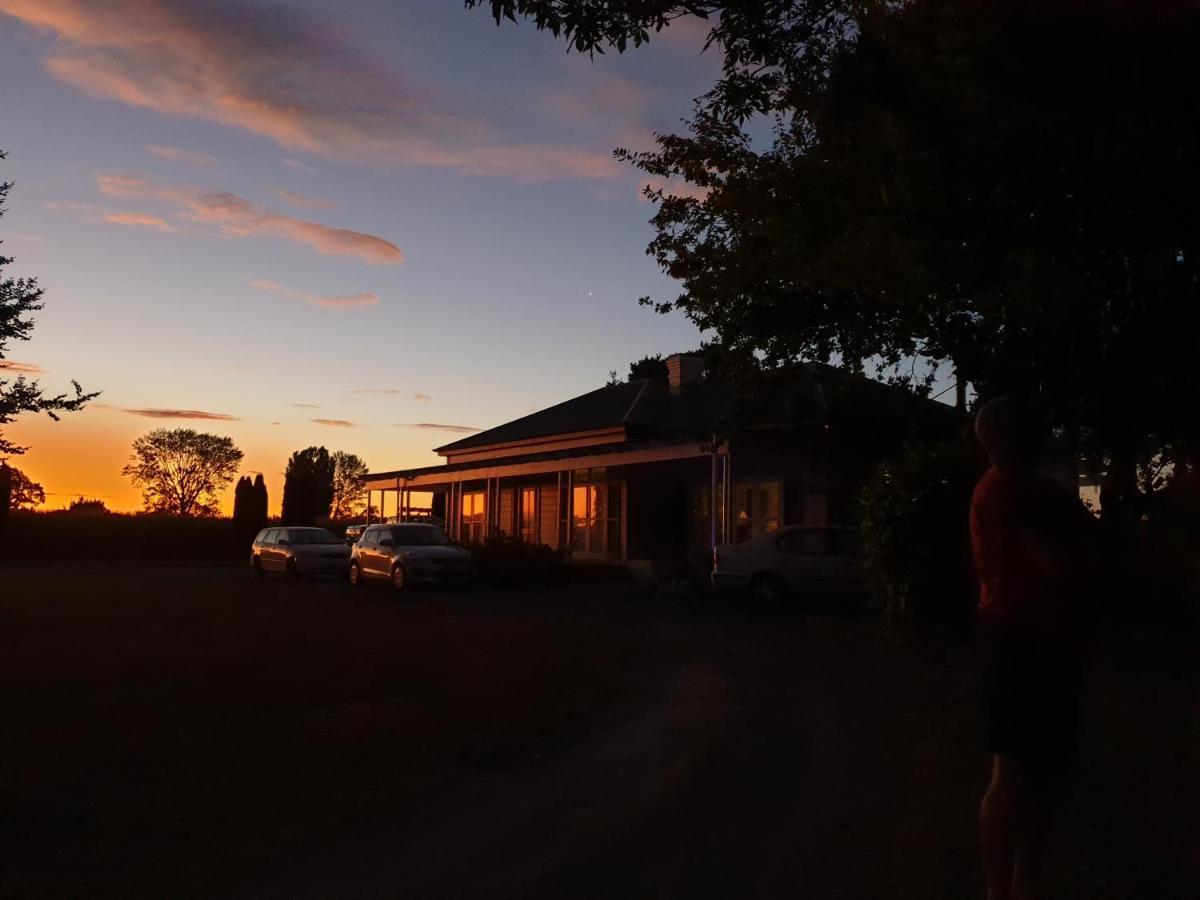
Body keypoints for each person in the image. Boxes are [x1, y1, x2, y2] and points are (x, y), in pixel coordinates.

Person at [970, 396, 1093, 900]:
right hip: (1020, 641)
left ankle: (1023, 885)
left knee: (1035, 773)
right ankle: (1005, 889)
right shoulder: (1011, 493)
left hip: (1033, 639)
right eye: (1035, 428)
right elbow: (1057, 562)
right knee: (1017, 772)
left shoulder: (1013, 489)